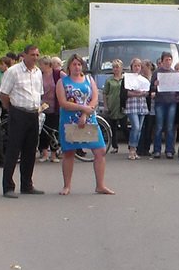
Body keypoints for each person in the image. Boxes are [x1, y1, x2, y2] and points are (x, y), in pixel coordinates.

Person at [57, 54, 114, 195]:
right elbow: (63, 103)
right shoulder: (62, 82)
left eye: (79, 64)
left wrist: (85, 113)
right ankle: (67, 185)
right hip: (70, 120)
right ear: (69, 66)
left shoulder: (89, 80)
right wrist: (82, 108)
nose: (77, 67)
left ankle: (100, 185)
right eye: (74, 64)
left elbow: (94, 99)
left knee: (100, 150)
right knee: (69, 152)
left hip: (88, 119)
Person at [0, 44, 44, 198]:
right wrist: (10, 108)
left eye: (37, 55)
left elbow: (38, 93)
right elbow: (3, 93)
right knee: (13, 150)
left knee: (30, 151)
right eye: (32, 55)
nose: (35, 58)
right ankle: (8, 186)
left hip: (33, 113)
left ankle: (27, 184)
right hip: (18, 112)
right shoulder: (13, 71)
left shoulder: (38, 72)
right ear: (24, 55)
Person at [150, 52, 179, 158]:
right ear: (162, 61)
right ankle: (157, 150)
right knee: (159, 126)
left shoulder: (174, 73)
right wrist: (155, 85)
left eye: (170, 60)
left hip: (171, 102)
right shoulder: (157, 73)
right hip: (160, 102)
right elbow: (151, 88)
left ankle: (169, 150)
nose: (168, 62)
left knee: (170, 127)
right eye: (166, 60)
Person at [38, 56, 64, 162]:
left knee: (54, 130)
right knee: (44, 130)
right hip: (43, 105)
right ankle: (44, 154)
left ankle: (53, 154)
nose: (40, 67)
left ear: (47, 65)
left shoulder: (57, 73)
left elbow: (68, 81)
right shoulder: (39, 75)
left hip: (55, 105)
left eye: (41, 64)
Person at [123, 58, 149, 160]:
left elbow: (146, 92)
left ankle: (135, 150)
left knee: (139, 129)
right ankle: (131, 149)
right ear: (132, 67)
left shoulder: (144, 79)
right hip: (131, 105)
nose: (137, 68)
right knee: (136, 127)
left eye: (139, 66)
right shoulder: (127, 78)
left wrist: (143, 93)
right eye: (135, 66)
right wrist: (138, 93)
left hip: (142, 105)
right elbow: (126, 93)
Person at [102, 59, 125, 154]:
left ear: (121, 68)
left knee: (124, 127)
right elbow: (105, 93)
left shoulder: (125, 79)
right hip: (112, 105)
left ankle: (131, 145)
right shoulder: (109, 80)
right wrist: (105, 106)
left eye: (117, 67)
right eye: (114, 67)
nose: (115, 69)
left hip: (122, 106)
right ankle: (115, 146)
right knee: (113, 128)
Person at [136, 60, 155, 156]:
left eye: (143, 67)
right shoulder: (140, 78)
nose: (141, 69)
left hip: (152, 106)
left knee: (149, 128)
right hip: (142, 105)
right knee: (142, 128)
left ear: (148, 67)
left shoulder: (153, 78)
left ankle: (146, 148)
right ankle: (139, 148)